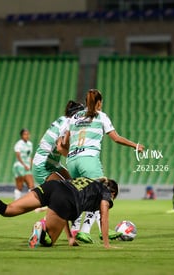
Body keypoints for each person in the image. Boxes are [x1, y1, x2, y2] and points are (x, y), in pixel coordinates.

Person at [61, 89, 144, 243]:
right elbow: (116, 138)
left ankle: (78, 231)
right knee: (101, 194)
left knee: (80, 196)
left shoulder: (74, 117)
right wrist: (135, 145)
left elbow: (65, 142)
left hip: (72, 160)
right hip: (88, 159)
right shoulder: (101, 116)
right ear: (99, 102)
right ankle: (92, 232)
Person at [0, 177, 120, 249]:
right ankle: (41, 229)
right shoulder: (105, 192)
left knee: (8, 210)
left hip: (53, 186)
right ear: (112, 194)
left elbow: (66, 214)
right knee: (47, 243)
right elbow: (104, 217)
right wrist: (106, 244)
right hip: (64, 200)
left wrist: (70, 238)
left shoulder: (89, 183)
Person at [32, 100, 84, 185]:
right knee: (67, 191)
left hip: (53, 164)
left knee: (75, 185)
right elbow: (60, 147)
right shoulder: (67, 124)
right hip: (42, 166)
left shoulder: (63, 120)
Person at [13, 129, 34, 200]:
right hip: (19, 166)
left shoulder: (30, 144)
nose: (27, 136)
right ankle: (17, 202)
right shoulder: (18, 144)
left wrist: (31, 165)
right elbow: (18, 156)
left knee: (31, 186)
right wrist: (24, 165)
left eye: (28, 134)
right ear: (22, 135)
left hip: (27, 167)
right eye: (25, 134)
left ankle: (30, 202)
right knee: (20, 186)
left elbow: (30, 156)